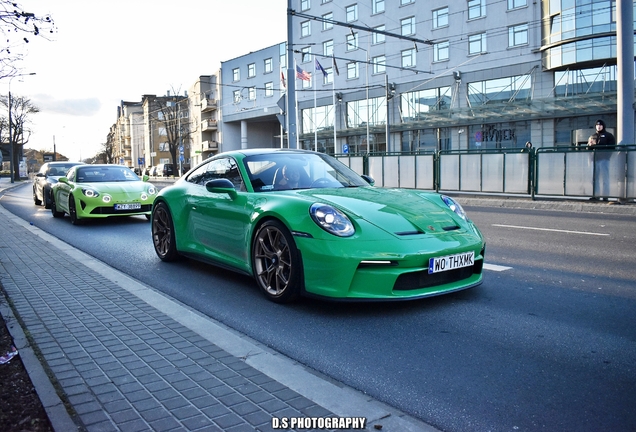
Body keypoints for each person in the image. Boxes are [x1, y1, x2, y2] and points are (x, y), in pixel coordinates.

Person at [588, 119, 616, 202]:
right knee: (595, 178)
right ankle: (596, 195)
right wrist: (590, 145)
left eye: (600, 125)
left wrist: (606, 156)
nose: (598, 126)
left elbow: (611, 147)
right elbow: (588, 148)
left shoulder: (609, 136)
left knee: (605, 178)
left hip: (604, 159)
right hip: (595, 159)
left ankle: (605, 196)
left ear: (603, 126)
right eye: (597, 125)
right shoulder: (592, 136)